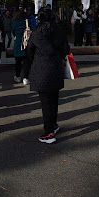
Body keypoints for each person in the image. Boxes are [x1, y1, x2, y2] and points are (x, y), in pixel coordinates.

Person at [26, 8, 70, 144]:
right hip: (56, 67)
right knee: (54, 98)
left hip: (41, 69)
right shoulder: (58, 30)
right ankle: (54, 124)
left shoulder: (37, 32)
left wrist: (27, 71)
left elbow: (29, 51)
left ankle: (48, 132)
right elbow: (66, 49)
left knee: (45, 102)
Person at [11, 9, 29, 84]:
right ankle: (26, 78)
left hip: (17, 43)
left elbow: (13, 32)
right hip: (25, 43)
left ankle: (18, 76)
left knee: (17, 62)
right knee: (26, 62)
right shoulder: (26, 22)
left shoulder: (14, 23)